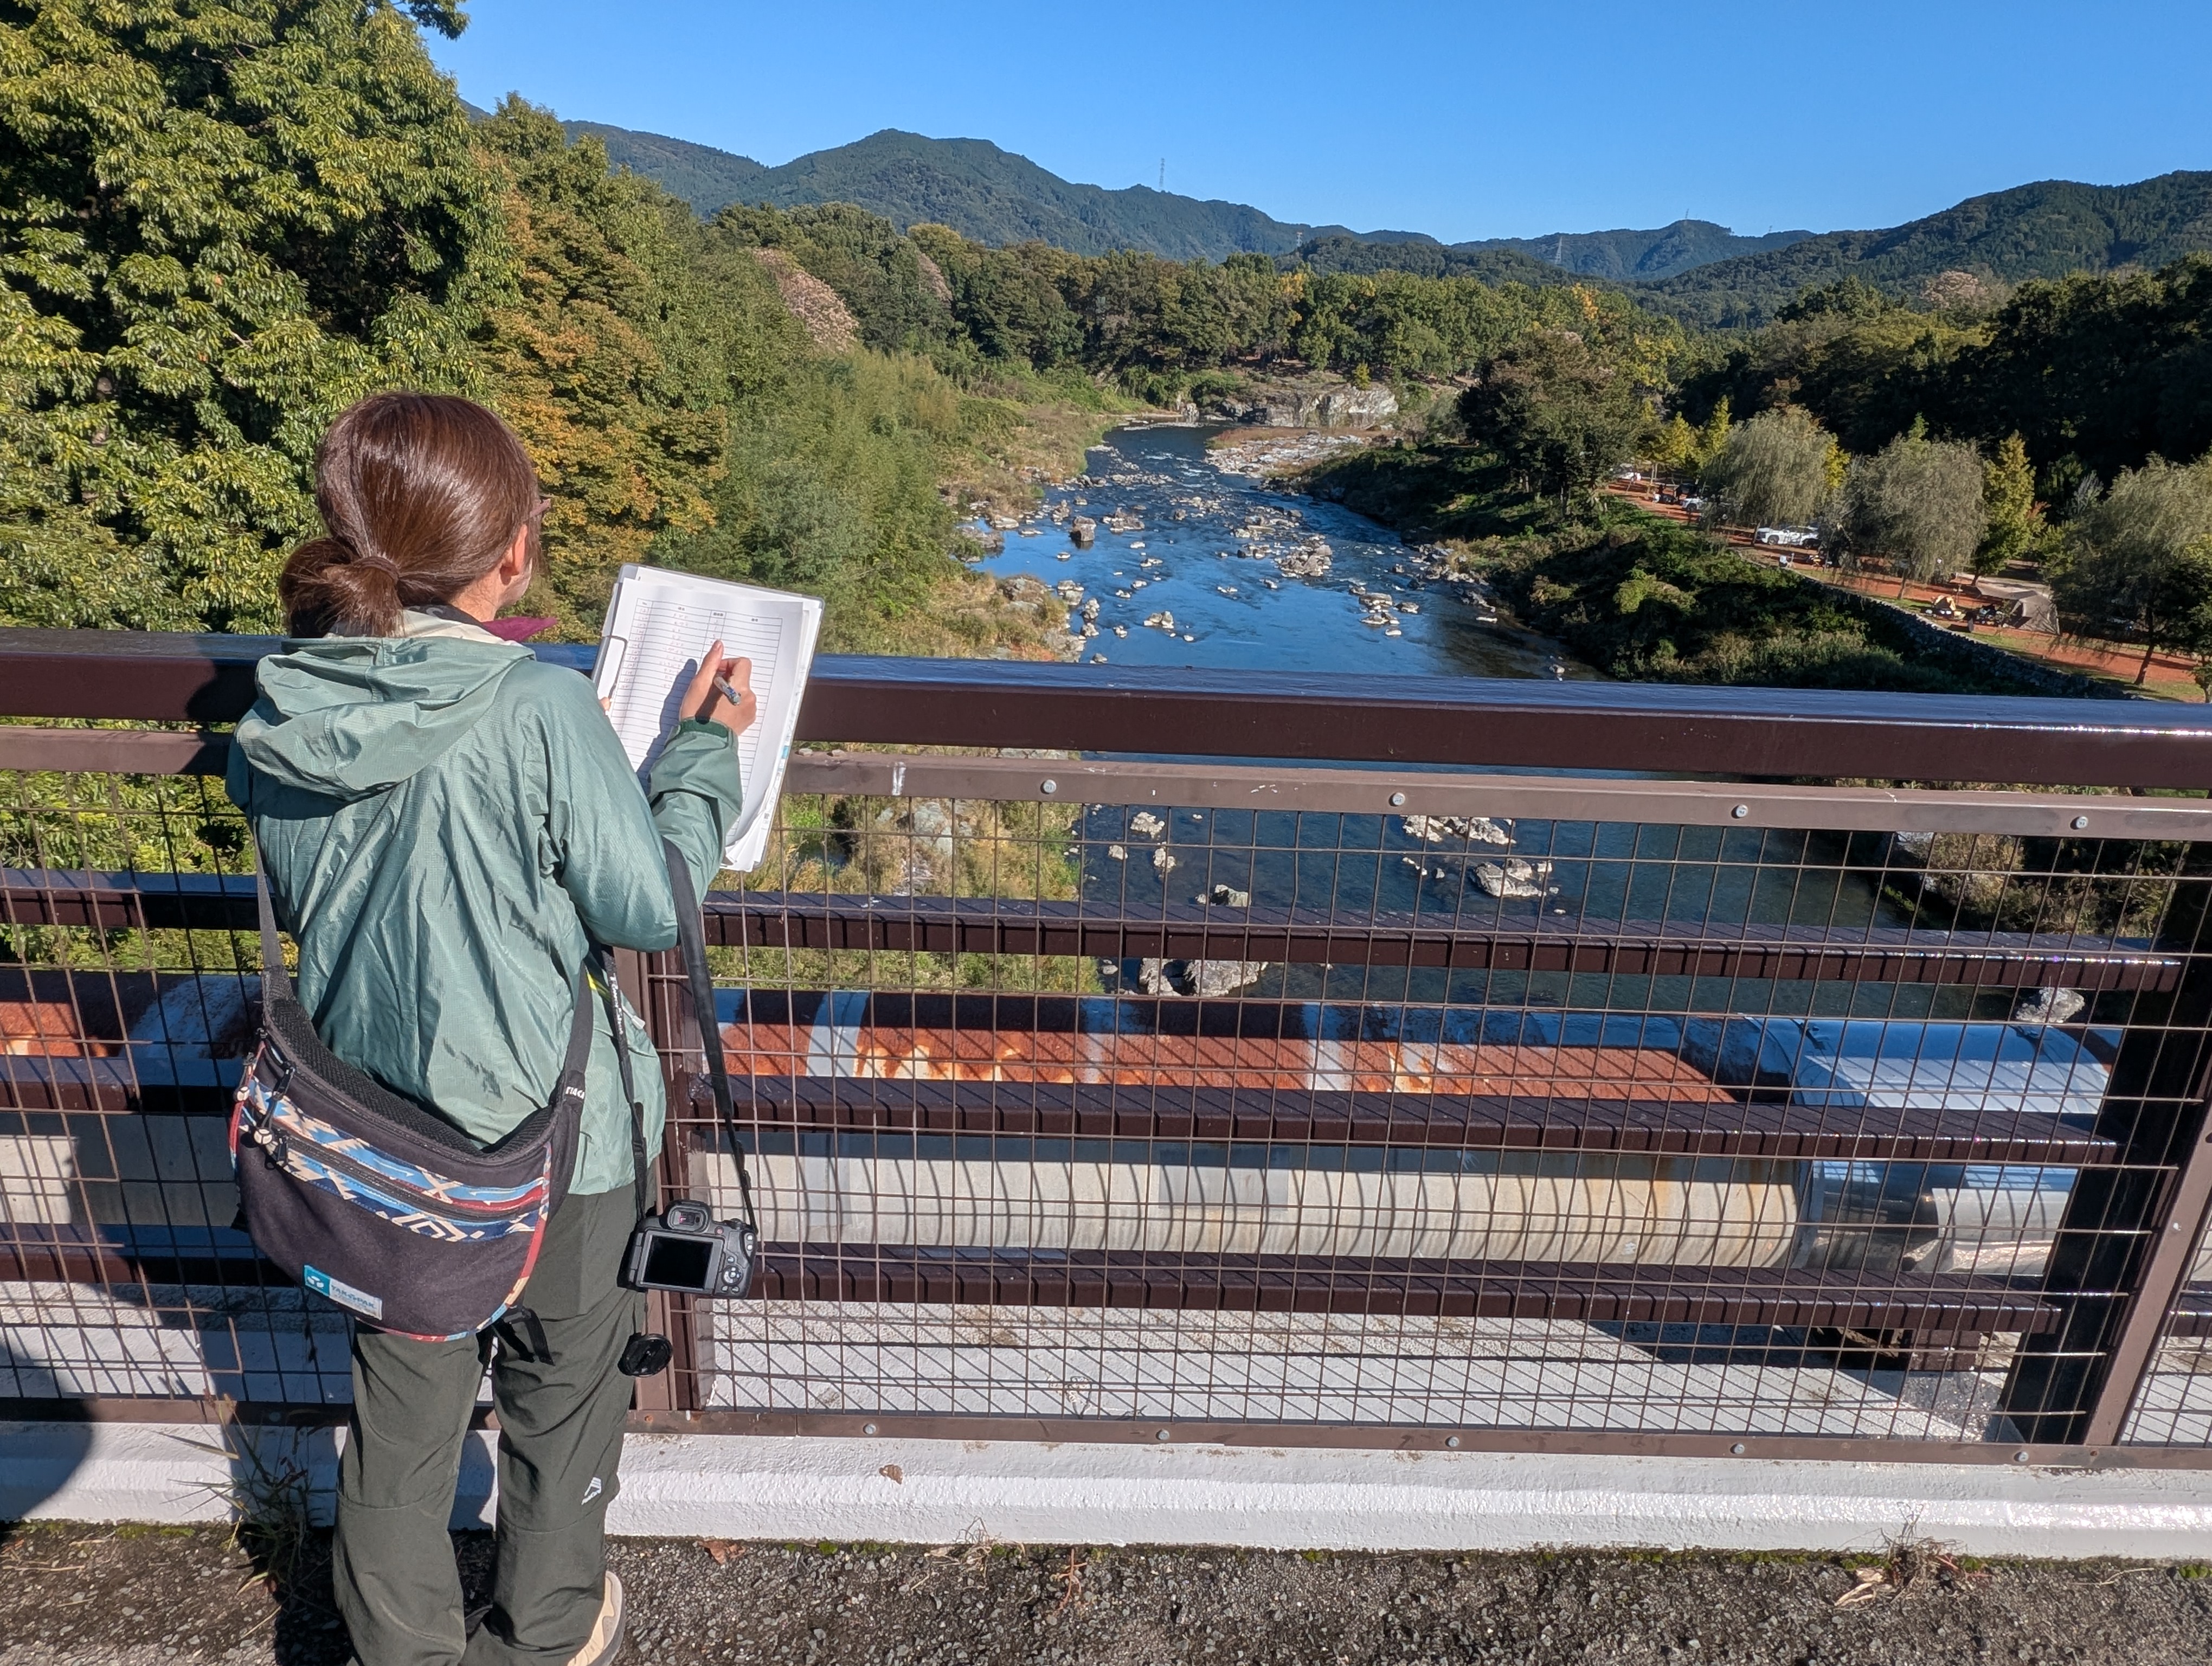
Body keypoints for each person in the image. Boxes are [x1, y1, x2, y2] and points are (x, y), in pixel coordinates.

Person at [226, 392, 753, 1666]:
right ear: (512, 553)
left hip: (370, 1131)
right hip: (551, 1144)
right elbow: (651, 904)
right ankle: (545, 1633)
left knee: (403, 1407)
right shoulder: (539, 709)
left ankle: (402, 1650)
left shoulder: (283, 705)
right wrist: (698, 755)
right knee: (561, 1397)